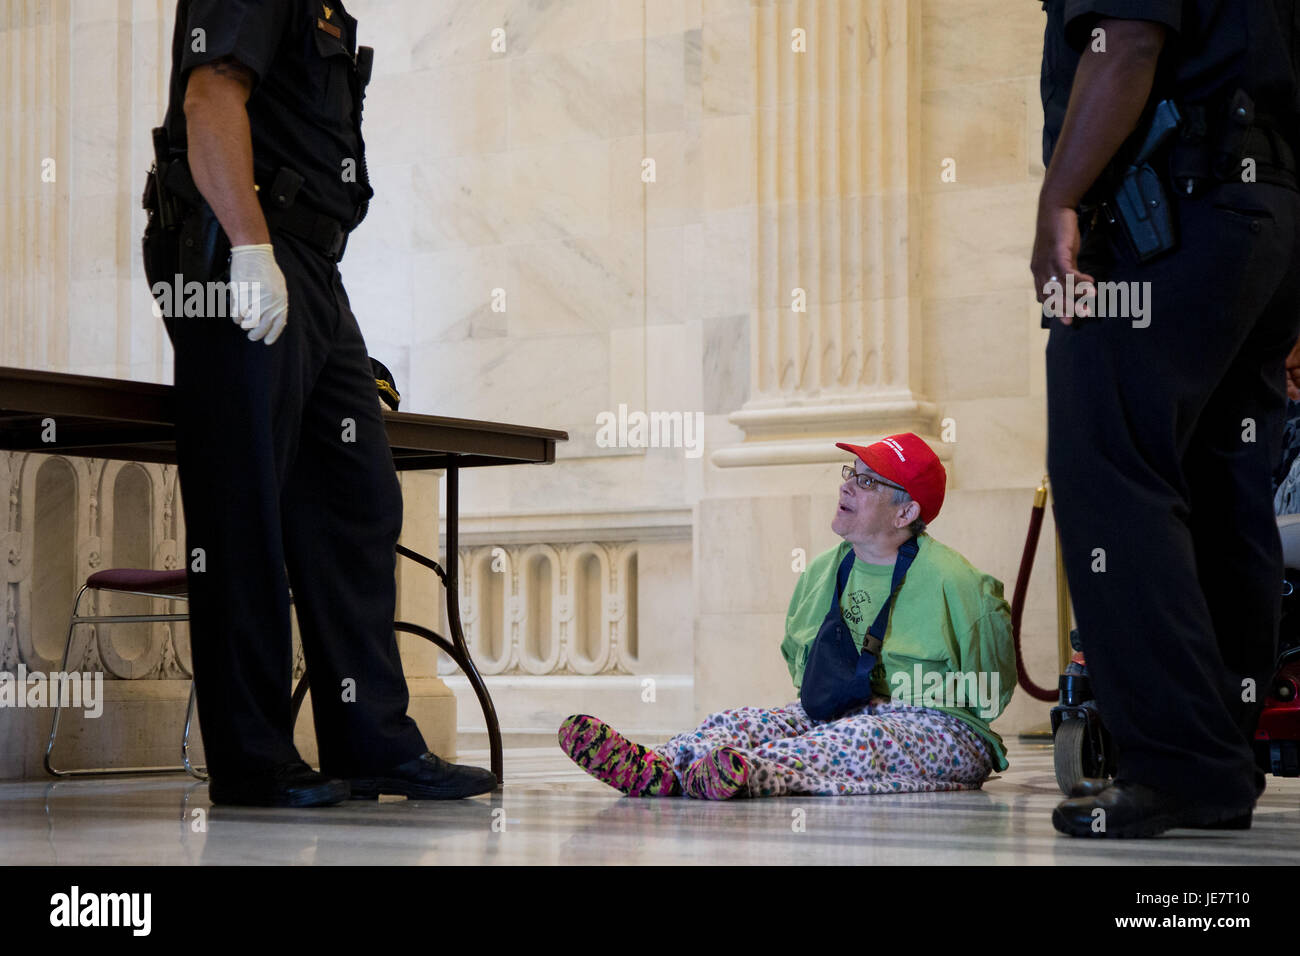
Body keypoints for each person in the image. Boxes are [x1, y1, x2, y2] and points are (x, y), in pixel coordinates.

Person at [153, 0, 495, 806]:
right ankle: (255, 761)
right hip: (237, 242)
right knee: (245, 511)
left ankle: (369, 741)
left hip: (311, 261)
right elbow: (210, 98)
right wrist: (248, 249)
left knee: (355, 497)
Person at [1034, 1, 1300, 836]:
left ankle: (1181, 766)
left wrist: (1059, 198)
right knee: (1225, 476)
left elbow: (1128, 38)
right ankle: (1222, 757)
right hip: (1262, 215)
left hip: (1169, 213)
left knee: (1110, 471)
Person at [558, 434, 1017, 800]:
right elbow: (803, 665)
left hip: (942, 728)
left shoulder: (958, 583)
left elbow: (990, 690)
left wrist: (904, 699)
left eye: (867, 482)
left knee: (860, 738)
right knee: (744, 721)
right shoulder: (824, 571)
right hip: (843, 710)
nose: (846, 486)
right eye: (850, 475)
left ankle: (747, 773)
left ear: (906, 512)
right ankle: (659, 767)